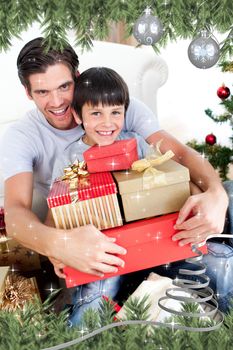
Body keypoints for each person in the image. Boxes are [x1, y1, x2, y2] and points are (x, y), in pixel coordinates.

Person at [0, 37, 230, 310]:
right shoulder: (22, 136)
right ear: (28, 93)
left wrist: (215, 195)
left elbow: (178, 155)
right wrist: (57, 245)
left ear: (78, 76)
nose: (57, 101)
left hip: (151, 225)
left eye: (64, 86)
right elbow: (15, 213)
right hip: (98, 239)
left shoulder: (118, 107)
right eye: (42, 92)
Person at [48, 66, 152, 325]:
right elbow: (55, 211)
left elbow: (163, 183)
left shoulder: (137, 143)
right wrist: (55, 250)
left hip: (145, 240)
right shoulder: (70, 156)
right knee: (98, 293)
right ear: (77, 115)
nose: (107, 123)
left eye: (115, 112)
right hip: (101, 251)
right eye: (96, 113)